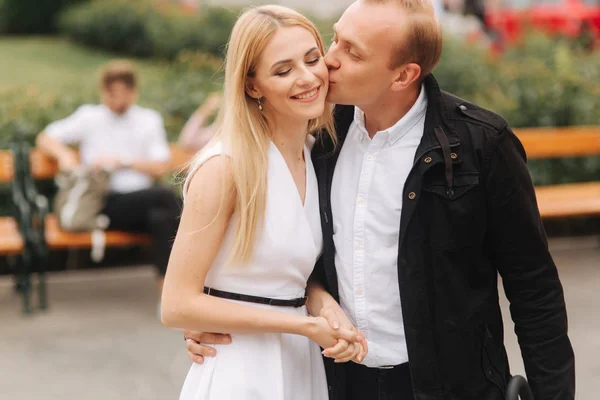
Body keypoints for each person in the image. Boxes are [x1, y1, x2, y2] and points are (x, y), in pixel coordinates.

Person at [184, 0, 576, 399]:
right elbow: (300, 262)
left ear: (403, 75)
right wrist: (220, 315)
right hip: (340, 382)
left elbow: (534, 290)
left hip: (451, 387)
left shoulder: (481, 143)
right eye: (335, 39)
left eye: (352, 52)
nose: (328, 60)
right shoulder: (318, 139)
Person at [160, 5, 367, 400]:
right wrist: (304, 326)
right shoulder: (225, 168)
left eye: (311, 59)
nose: (308, 78)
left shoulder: (317, 155)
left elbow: (291, 273)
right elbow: (176, 303)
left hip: (301, 363)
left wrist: (321, 303)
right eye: (283, 70)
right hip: (241, 369)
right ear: (253, 86)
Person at [36, 60, 180, 294]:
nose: (115, 100)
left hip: (141, 207)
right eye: (110, 94)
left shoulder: (148, 120)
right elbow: (45, 138)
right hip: (104, 204)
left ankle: (167, 295)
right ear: (103, 92)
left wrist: (122, 162)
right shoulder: (89, 117)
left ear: (133, 92)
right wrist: (64, 155)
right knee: (166, 199)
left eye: (121, 94)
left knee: (161, 218)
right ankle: (181, 291)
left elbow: (161, 167)